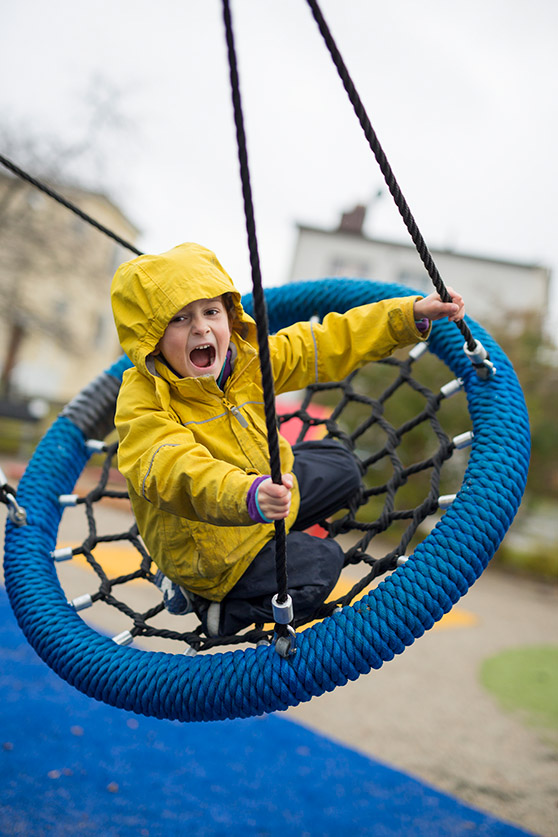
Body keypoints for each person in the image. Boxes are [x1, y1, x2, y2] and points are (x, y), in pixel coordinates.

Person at [111, 242, 465, 637]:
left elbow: (323, 343)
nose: (201, 328)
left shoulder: (247, 361)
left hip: (268, 496)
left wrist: (406, 316)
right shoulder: (145, 400)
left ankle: (271, 524)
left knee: (343, 466)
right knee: (321, 564)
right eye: (179, 319)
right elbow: (170, 468)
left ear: (228, 315)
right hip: (213, 547)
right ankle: (212, 605)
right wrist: (246, 495)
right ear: (151, 339)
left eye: (211, 312)